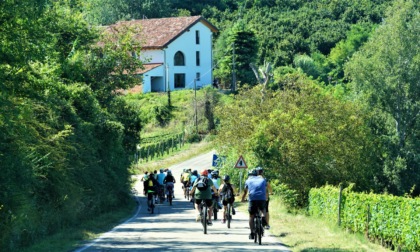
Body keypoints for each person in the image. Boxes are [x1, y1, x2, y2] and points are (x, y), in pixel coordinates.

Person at [241, 168, 267, 240]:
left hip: (252, 199)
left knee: (251, 216)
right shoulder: (263, 179)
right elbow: (265, 189)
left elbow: (245, 192)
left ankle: (252, 233)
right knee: (263, 209)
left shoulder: (248, 181)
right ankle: (263, 217)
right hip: (262, 198)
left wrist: (242, 199)